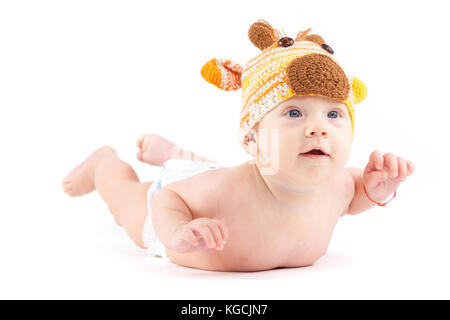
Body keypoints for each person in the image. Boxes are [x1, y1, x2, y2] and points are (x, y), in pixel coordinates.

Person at [62, 20, 415, 272]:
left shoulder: (341, 184)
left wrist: (374, 190)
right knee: (126, 200)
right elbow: (174, 198)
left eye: (335, 115)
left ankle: (174, 153)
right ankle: (104, 164)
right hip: (182, 203)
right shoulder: (226, 190)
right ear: (251, 138)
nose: (318, 129)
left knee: (224, 169)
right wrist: (176, 232)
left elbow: (353, 199)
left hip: (219, 176)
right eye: (294, 112)